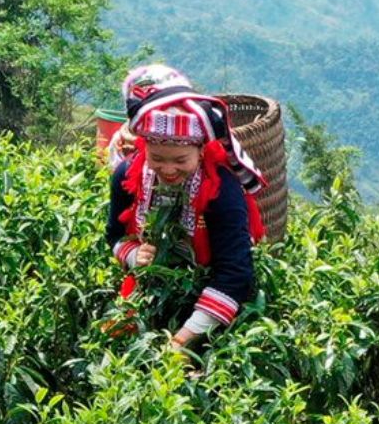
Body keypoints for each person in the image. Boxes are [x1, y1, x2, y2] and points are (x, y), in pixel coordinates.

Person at [105, 65, 267, 347]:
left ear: (201, 149)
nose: (168, 169)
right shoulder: (127, 174)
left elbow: (235, 273)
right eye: (157, 158)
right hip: (152, 292)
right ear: (144, 147)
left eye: (181, 160)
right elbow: (114, 235)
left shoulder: (221, 191)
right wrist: (133, 255)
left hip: (211, 300)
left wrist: (182, 342)